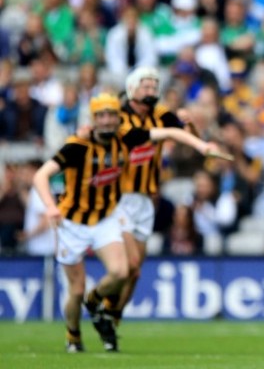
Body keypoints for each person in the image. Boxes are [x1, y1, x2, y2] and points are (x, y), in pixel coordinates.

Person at [32, 93, 219, 353]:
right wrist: (51, 207)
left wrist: (201, 146)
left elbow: (169, 134)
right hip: (72, 222)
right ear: (93, 119)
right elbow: (41, 175)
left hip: (105, 218)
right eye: (102, 116)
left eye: (111, 115)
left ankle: (95, 300)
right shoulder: (77, 146)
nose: (107, 121)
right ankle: (73, 335)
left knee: (122, 271)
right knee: (75, 289)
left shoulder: (126, 138)